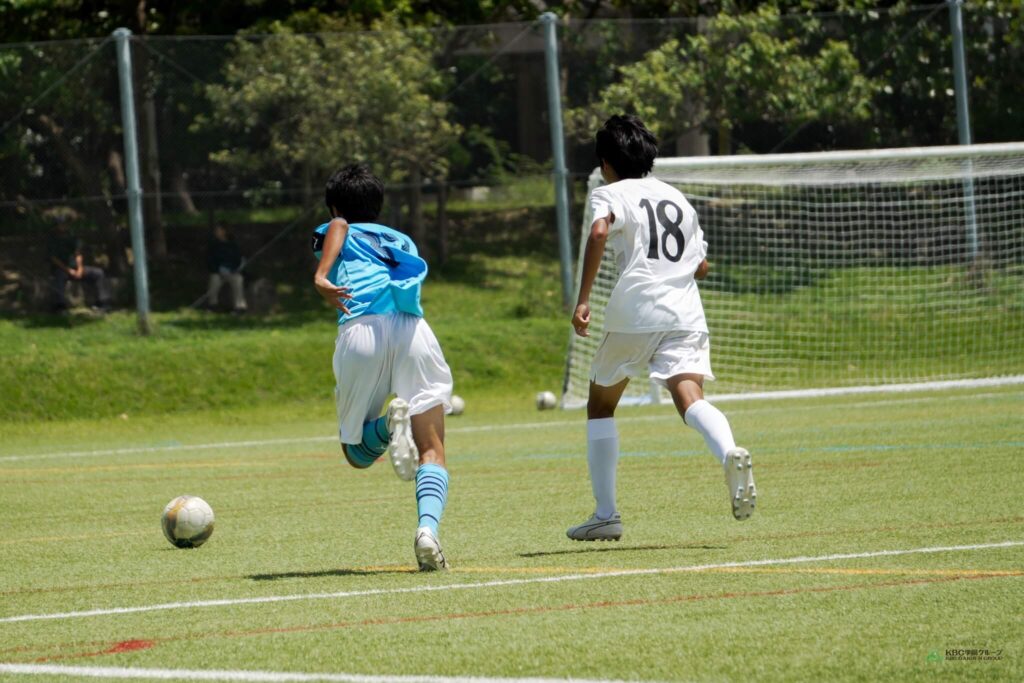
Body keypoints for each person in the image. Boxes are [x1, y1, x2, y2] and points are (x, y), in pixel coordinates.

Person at [567, 114, 756, 542]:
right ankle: (729, 451)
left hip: (636, 310)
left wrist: (583, 299)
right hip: (685, 313)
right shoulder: (677, 198)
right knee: (690, 398)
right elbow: (702, 266)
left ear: (605, 163)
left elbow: (598, 233)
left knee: (601, 406)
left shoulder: (609, 192)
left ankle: (606, 514)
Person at [312, 163, 454, 571]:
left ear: (334, 205)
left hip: (363, 329)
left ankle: (390, 426)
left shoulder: (335, 226)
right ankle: (427, 531)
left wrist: (321, 275)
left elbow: (338, 226)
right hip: (413, 331)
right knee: (432, 449)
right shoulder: (401, 239)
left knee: (357, 454)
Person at [46, 219, 112, 313]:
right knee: (59, 277)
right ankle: (60, 306)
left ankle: (104, 302)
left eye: (65, 224)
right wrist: (68, 270)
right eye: (61, 225)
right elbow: (53, 259)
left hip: (76, 268)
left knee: (99, 273)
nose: (63, 226)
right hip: (62, 269)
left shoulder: (72, 238)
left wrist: (80, 269)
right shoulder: (52, 240)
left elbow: (78, 254)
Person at [205, 226, 247, 313]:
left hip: (231, 272)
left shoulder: (233, 245)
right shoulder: (213, 245)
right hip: (218, 272)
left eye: (218, 230)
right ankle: (213, 305)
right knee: (214, 279)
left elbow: (238, 260)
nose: (216, 232)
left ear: (224, 231)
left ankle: (239, 307)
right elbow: (210, 261)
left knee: (238, 279)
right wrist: (218, 270)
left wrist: (232, 269)